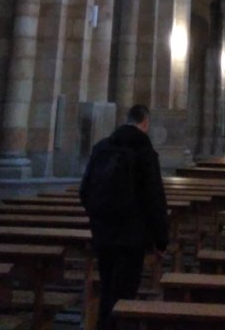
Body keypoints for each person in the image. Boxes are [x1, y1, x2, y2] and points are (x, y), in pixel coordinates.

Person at [80, 104, 169, 330]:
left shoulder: (102, 147)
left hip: (102, 234)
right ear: (145, 123)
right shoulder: (145, 152)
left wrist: (97, 220)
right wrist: (161, 241)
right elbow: (154, 199)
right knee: (124, 293)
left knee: (107, 286)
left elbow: (85, 190)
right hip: (131, 237)